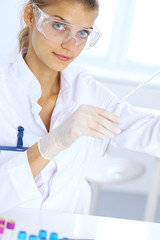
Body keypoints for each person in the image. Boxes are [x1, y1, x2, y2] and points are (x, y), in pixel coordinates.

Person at [0, 0, 160, 214]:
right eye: (58, 25)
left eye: (83, 33)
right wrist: (49, 146)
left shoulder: (86, 90)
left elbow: (149, 134)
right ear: (31, 16)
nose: (71, 44)